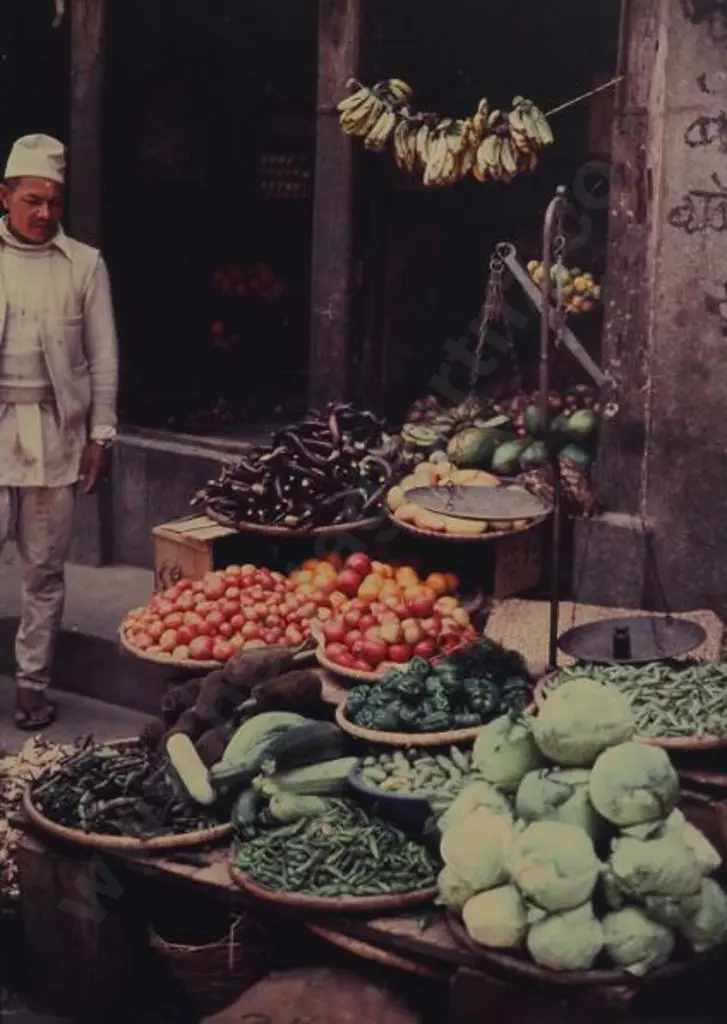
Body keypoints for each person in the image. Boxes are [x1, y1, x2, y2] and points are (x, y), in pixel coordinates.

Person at [0, 134, 119, 729]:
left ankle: (31, 685)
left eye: (54, 201)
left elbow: (104, 359)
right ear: (5, 197)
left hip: (54, 433)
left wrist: (101, 436)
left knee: (44, 571)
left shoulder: (84, 264)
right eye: (31, 200)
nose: (44, 212)